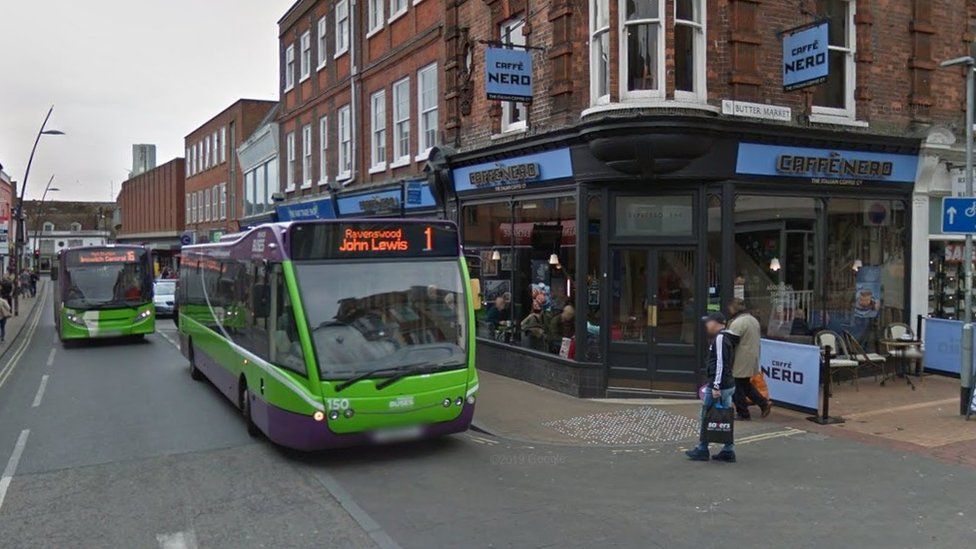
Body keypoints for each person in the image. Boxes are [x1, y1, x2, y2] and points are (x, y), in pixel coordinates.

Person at [686, 312, 739, 463]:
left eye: (709, 322)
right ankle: (728, 450)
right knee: (724, 417)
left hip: (720, 385)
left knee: (707, 415)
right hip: (728, 384)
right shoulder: (727, 337)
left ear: (717, 323)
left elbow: (720, 363)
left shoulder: (721, 338)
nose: (707, 325)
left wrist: (715, 386)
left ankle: (702, 449)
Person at [727, 299, 771, 420]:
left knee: (735, 387)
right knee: (745, 385)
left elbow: (730, 343)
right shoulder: (753, 320)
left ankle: (743, 413)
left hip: (740, 359)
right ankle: (764, 403)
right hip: (751, 357)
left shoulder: (738, 323)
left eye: (730, 308)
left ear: (733, 309)